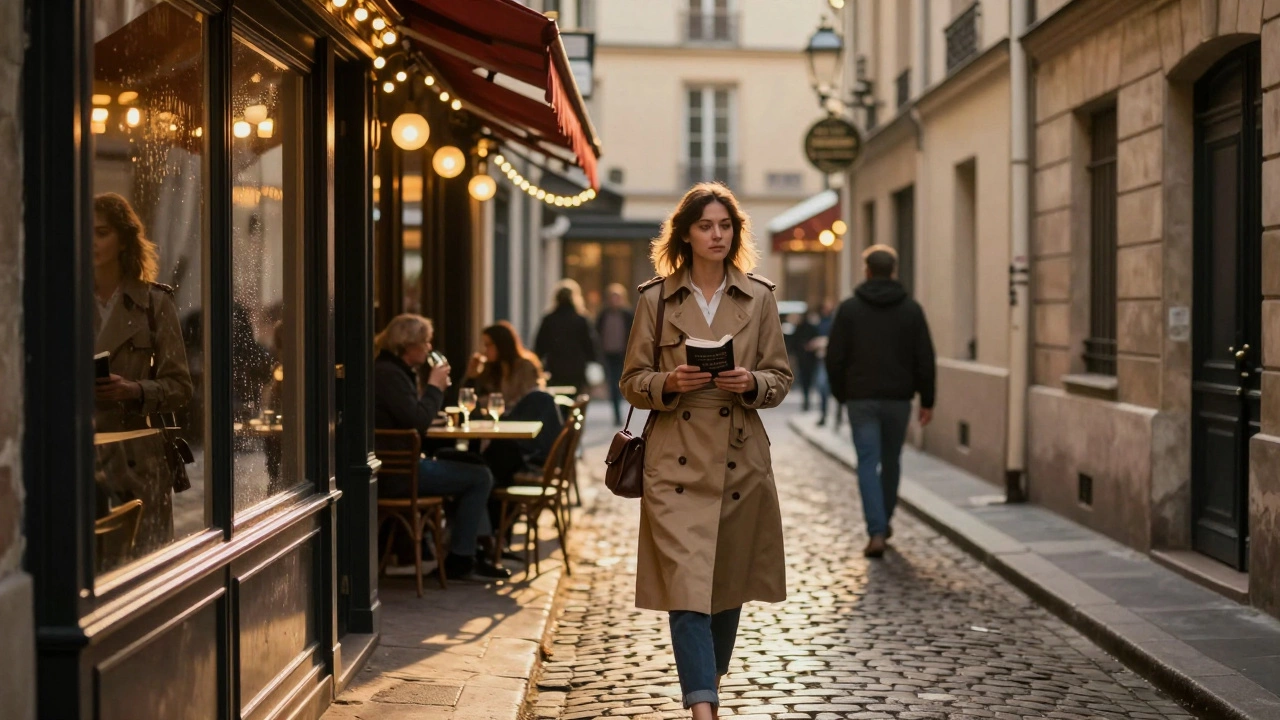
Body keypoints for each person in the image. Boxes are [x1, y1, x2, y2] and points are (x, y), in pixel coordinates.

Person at [620, 182, 792, 719]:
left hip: (741, 459)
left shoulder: (759, 297)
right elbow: (632, 380)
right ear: (686, 235)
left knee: (727, 586)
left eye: (725, 226)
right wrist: (668, 382)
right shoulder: (655, 299)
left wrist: (753, 382)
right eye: (705, 226)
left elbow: (781, 377)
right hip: (673, 461)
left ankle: (706, 683)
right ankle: (703, 710)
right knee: (686, 587)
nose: (717, 235)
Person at [92, 193, 194, 561]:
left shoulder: (154, 303)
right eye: (85, 232)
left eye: (102, 232)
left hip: (139, 463)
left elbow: (181, 387)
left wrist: (133, 389)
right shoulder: (63, 303)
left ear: (123, 239)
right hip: (84, 459)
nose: (91, 242)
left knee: (146, 566)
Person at [373, 314, 511, 581]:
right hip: (400, 474)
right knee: (480, 477)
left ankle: (474, 551)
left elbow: (412, 417)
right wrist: (435, 388)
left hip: (401, 466)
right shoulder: (390, 374)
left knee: (471, 464)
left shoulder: (393, 371)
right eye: (425, 342)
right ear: (408, 345)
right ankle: (462, 557)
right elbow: (418, 422)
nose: (428, 348)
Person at [824, 244, 936, 559]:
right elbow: (925, 358)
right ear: (893, 271)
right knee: (891, 460)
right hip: (898, 399)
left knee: (867, 462)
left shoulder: (849, 309)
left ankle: (875, 530)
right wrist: (927, 399)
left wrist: (841, 393)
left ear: (868, 271)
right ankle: (883, 522)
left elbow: (834, 357)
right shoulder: (911, 310)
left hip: (861, 399)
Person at [534, 279, 598, 391]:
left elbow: (540, 345)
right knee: (576, 396)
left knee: (556, 396)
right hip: (576, 367)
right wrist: (592, 360)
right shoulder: (581, 319)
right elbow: (590, 344)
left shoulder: (549, 319)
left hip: (555, 367)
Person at [465, 321, 545, 407]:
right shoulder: (491, 368)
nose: (485, 350)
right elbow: (470, 398)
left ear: (501, 344)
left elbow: (529, 398)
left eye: (488, 345)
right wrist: (472, 376)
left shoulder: (525, 366)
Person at [595, 283, 635, 425]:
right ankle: (617, 412)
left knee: (621, 382)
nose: (614, 300)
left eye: (617, 297)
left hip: (623, 354)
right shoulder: (603, 315)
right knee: (612, 383)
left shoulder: (627, 315)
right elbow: (596, 333)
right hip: (607, 355)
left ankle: (620, 408)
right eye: (612, 297)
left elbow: (634, 334)